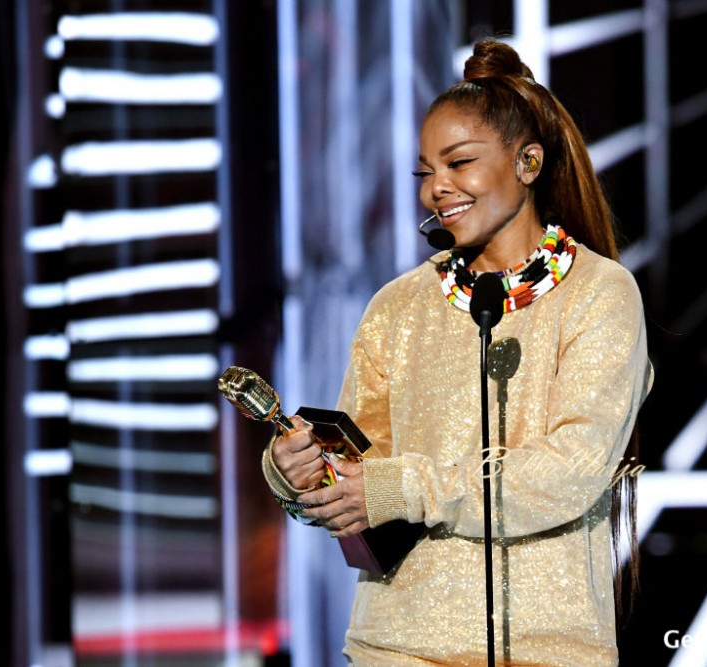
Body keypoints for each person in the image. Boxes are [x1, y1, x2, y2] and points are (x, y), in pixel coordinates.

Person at [264, 40, 651, 665]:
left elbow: (570, 470)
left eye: (458, 163)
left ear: (528, 163)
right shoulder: (398, 306)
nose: (436, 189)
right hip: (396, 647)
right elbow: (365, 475)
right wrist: (301, 472)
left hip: (548, 649)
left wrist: (406, 488)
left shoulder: (601, 295)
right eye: (425, 172)